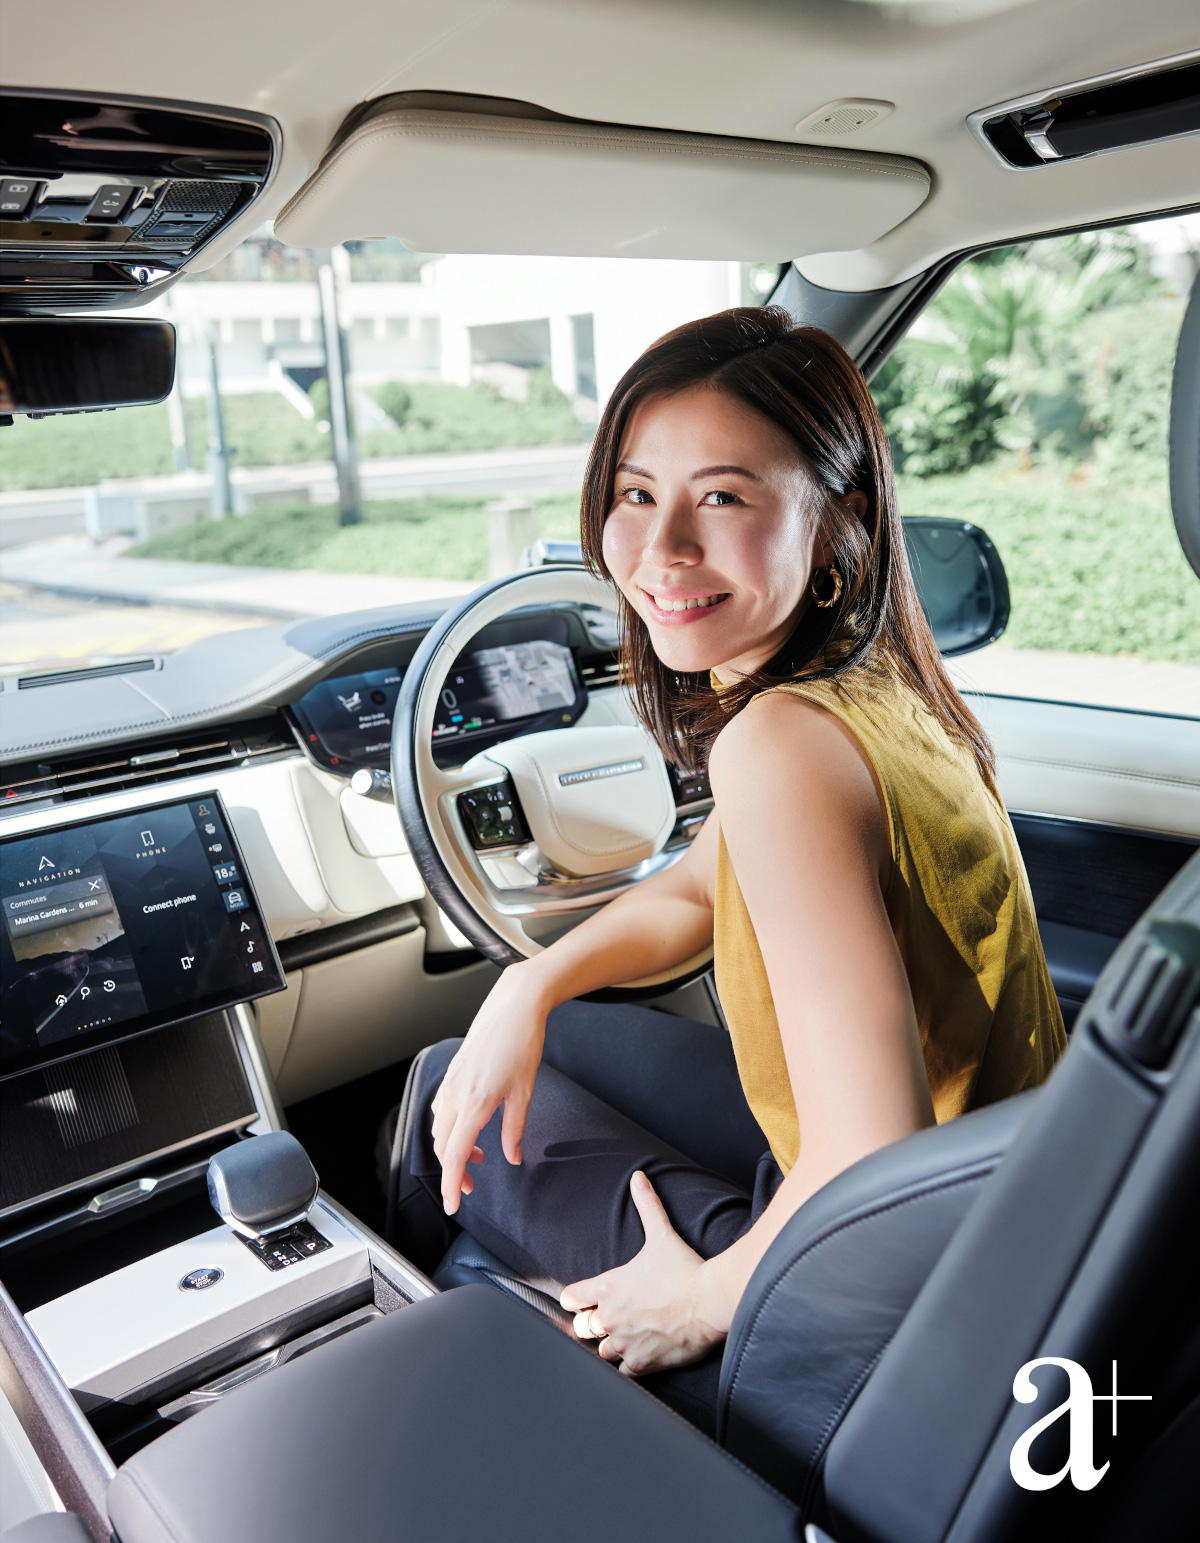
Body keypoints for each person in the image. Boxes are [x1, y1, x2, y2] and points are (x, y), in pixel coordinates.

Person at [383, 305, 1068, 1429]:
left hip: (893, 1300)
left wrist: (699, 1299)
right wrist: (531, 983)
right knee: (515, 1052)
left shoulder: (780, 746)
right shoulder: (877, 688)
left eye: (723, 499)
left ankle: (443, 1394)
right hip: (1004, 1219)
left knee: (441, 1112)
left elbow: (872, 1148)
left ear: (840, 521)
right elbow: (704, 884)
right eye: (636, 494)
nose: (661, 552)